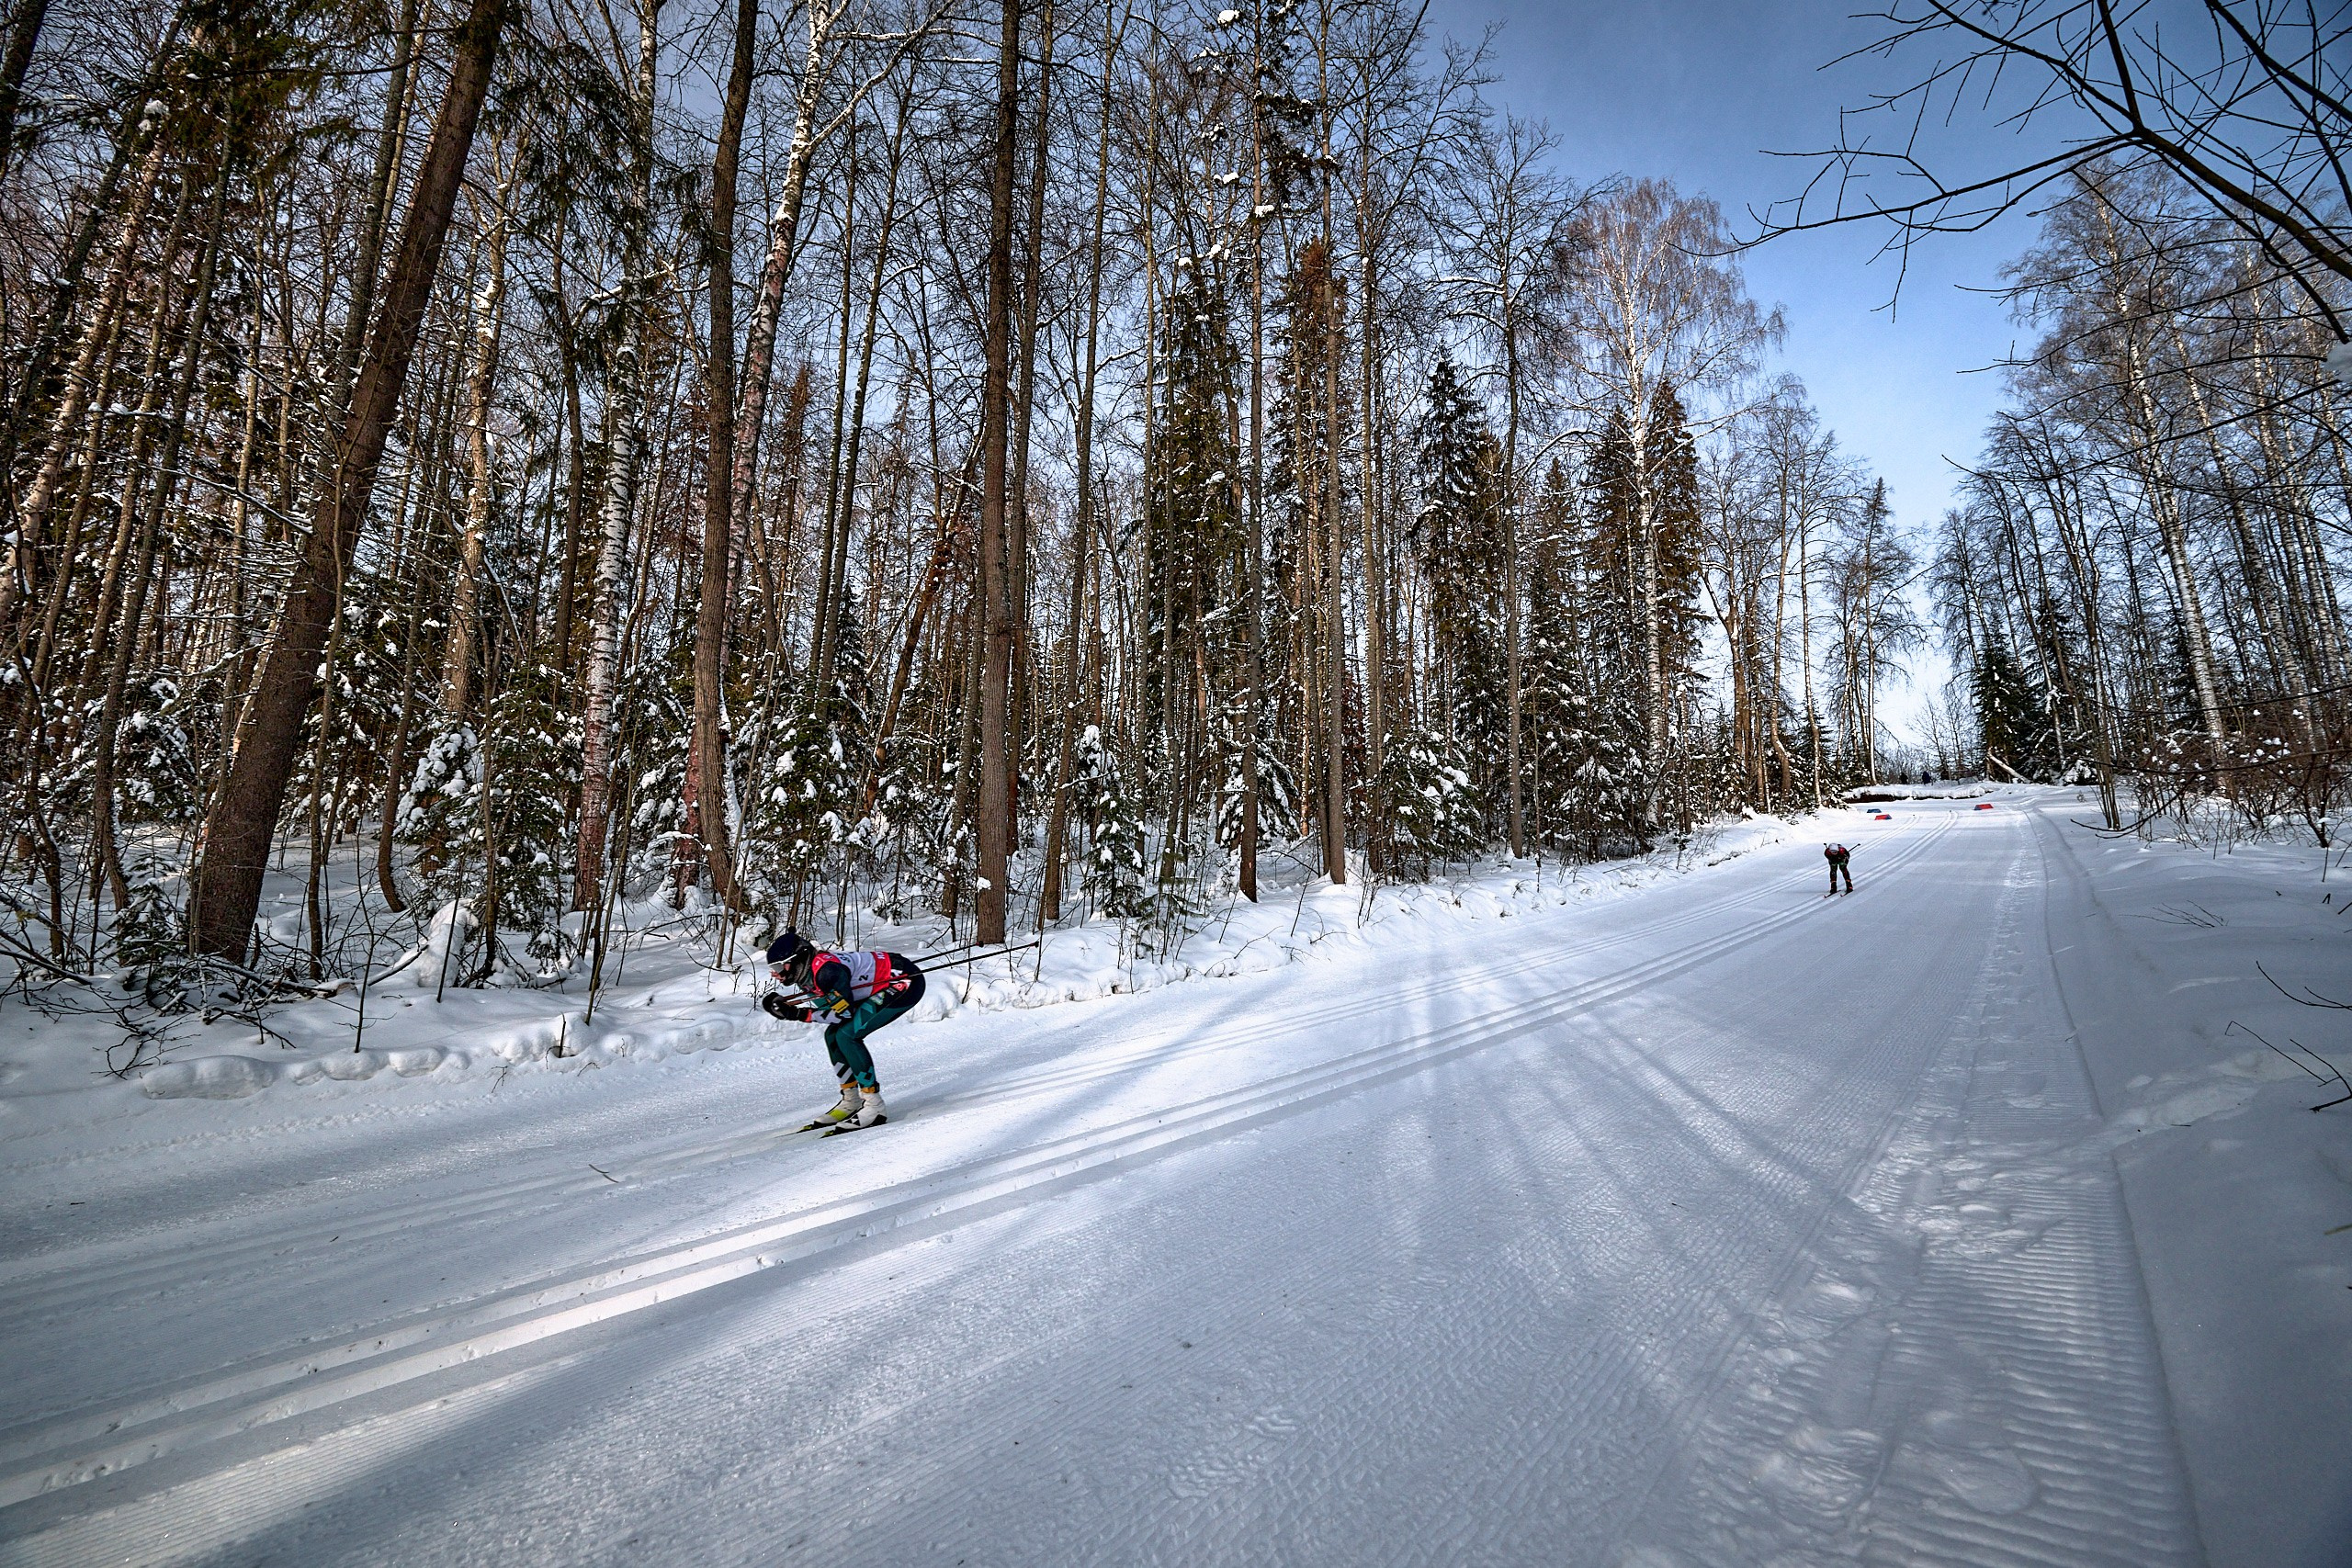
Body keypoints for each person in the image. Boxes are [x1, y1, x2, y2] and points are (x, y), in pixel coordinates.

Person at [762, 931, 925, 1129]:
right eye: (772, 968)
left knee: (848, 1035)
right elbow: (830, 1007)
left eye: (778, 967)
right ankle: (851, 1100)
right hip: (882, 981)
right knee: (832, 1035)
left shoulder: (827, 973)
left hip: (904, 982)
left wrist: (798, 1014)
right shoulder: (808, 972)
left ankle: (874, 1105)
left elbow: (842, 1015)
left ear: (798, 960)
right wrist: (789, 1007)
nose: (774, 973)